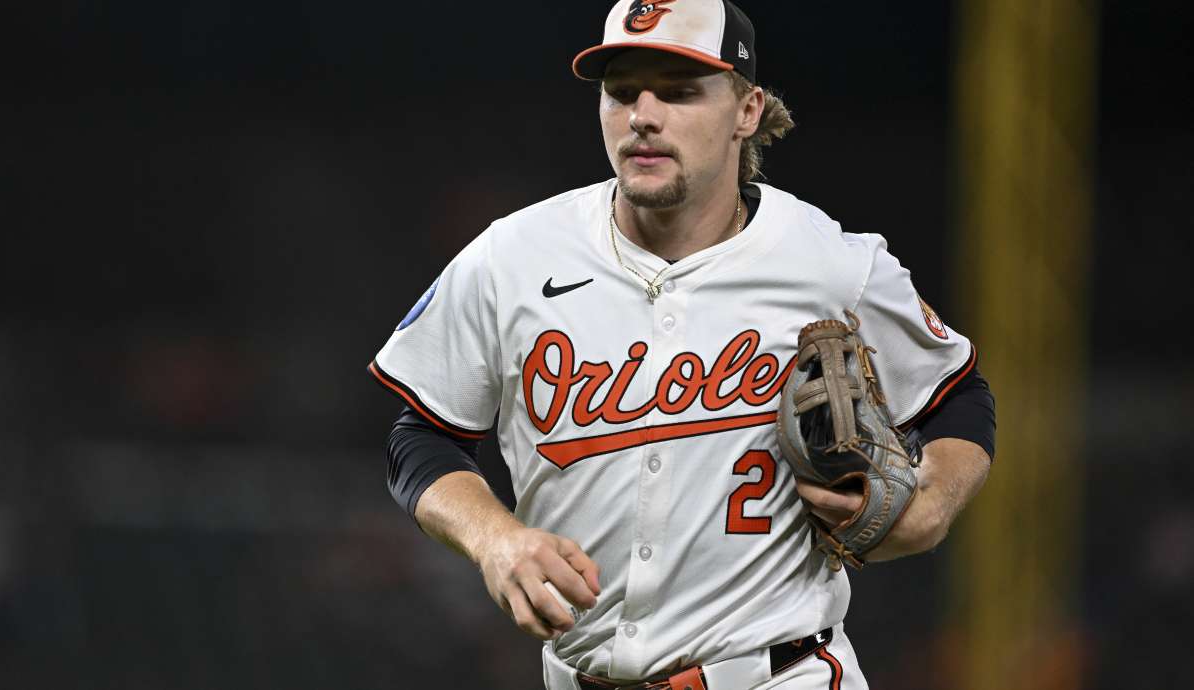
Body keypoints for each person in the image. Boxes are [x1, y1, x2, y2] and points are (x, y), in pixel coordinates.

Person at [370, 1, 995, 688]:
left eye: (679, 90)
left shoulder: (829, 263)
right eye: (621, 91)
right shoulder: (511, 258)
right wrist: (496, 539)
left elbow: (957, 396)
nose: (643, 113)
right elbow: (420, 438)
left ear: (748, 110)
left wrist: (932, 504)